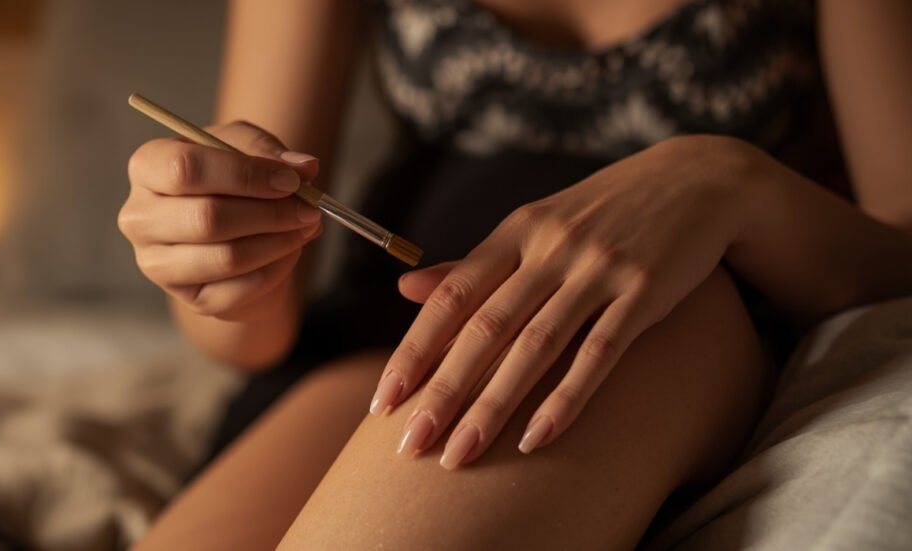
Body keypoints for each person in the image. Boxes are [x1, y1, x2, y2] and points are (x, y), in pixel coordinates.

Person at [118, 0, 912, 548]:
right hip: (401, 314)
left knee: (582, 345)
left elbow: (899, 254)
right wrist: (221, 258)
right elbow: (252, 337)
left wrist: (724, 179)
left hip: (676, 295)